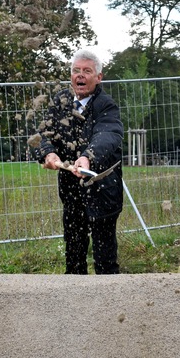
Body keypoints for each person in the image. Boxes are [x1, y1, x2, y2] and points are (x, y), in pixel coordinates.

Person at [36, 48, 124, 274]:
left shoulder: (106, 105)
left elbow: (107, 135)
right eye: (76, 71)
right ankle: (73, 298)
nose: (80, 75)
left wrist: (87, 157)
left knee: (104, 255)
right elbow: (45, 134)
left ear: (98, 77)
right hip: (71, 188)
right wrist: (48, 153)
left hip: (102, 187)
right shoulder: (61, 101)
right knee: (74, 250)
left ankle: (108, 296)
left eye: (87, 71)